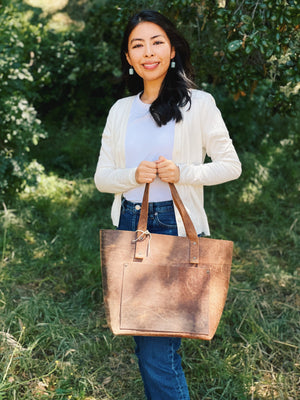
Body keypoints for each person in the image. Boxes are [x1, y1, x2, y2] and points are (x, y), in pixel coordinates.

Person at [94, 9, 242, 400]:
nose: (148, 52)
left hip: (174, 226)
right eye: (137, 45)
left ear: (172, 49)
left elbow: (231, 166)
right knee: (145, 339)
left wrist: (184, 173)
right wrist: (132, 176)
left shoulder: (199, 104)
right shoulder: (121, 110)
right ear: (128, 59)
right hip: (130, 223)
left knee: (157, 351)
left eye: (157, 42)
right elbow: (101, 177)